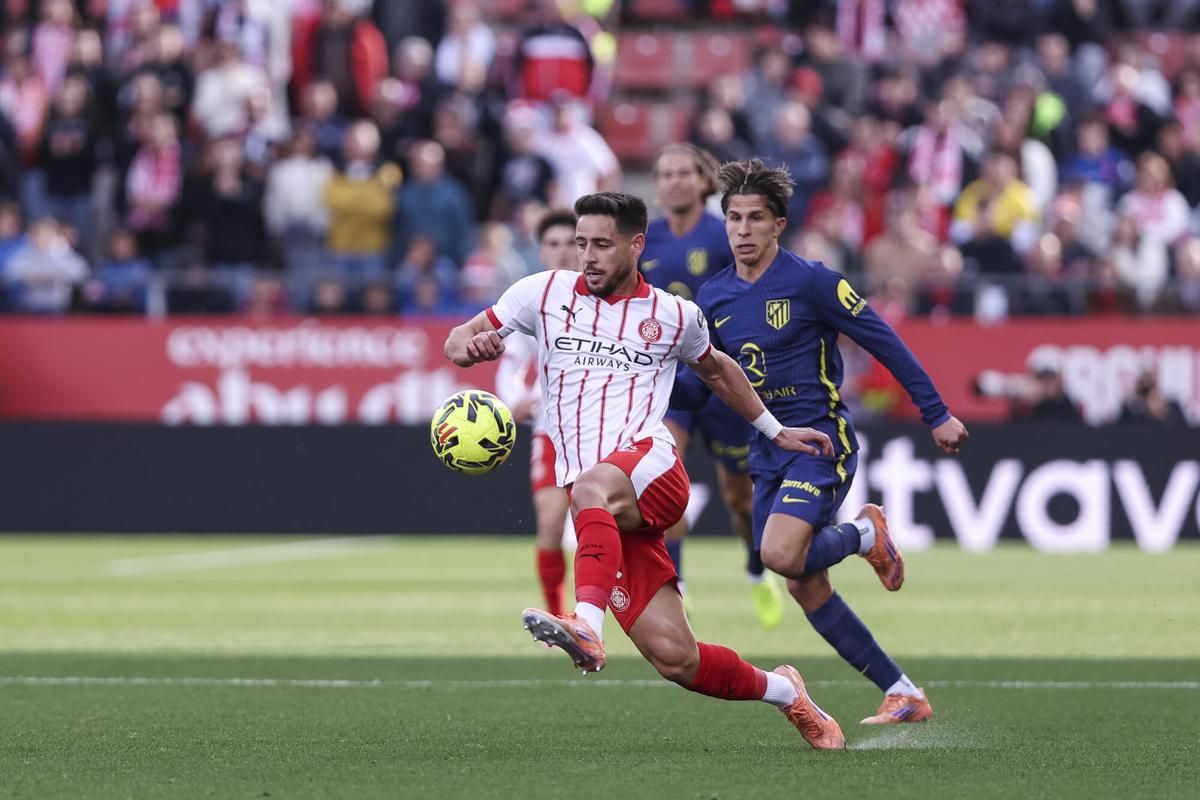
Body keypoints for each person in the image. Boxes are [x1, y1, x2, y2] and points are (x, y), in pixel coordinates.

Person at [444, 192, 846, 750]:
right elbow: (456, 340)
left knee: (589, 488)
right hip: (604, 509)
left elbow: (719, 371)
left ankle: (586, 623)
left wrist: (776, 431)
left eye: (602, 244)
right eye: (582, 243)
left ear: (636, 245)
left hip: (651, 468)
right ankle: (788, 694)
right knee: (678, 660)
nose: (587, 255)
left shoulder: (674, 314)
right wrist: (473, 348)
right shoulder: (540, 293)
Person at [676, 160, 969, 726]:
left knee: (778, 555)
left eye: (755, 218)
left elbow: (883, 340)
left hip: (820, 443)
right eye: (734, 218)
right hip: (766, 452)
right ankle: (903, 691)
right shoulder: (711, 299)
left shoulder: (812, 281)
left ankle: (864, 532)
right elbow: (700, 386)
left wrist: (936, 413)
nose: (742, 229)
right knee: (804, 584)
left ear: (778, 224)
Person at [640, 144, 784, 628]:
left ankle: (755, 568)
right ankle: (675, 586)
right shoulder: (645, 241)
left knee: (740, 501)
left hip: (722, 379)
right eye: (665, 174)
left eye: (684, 173)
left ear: (704, 182)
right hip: (672, 382)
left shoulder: (724, 235)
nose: (675, 181)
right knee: (663, 471)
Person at [493, 209, 579, 617]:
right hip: (551, 431)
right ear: (541, 250)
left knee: (610, 528)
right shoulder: (532, 303)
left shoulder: (606, 297)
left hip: (607, 432)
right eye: (553, 243)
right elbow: (510, 362)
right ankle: (560, 619)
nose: (563, 251)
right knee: (550, 523)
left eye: (571, 243)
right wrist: (515, 399)